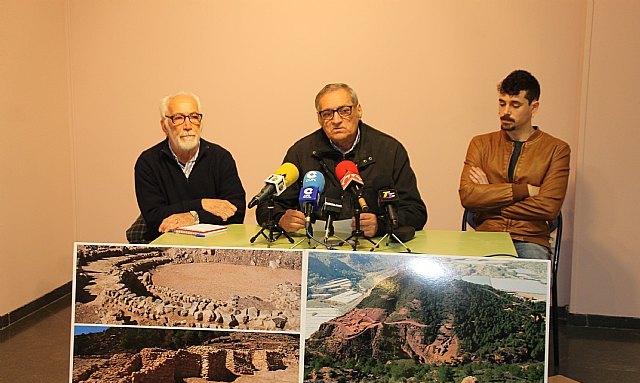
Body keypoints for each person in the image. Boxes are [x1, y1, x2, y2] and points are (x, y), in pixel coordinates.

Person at [256, 83, 427, 237]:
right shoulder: (301, 152)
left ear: (358, 110)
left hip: (373, 248)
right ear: (319, 119)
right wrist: (281, 219)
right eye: (327, 114)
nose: (336, 120)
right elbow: (266, 208)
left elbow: (415, 212)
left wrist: (381, 224)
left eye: (344, 111)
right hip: (316, 246)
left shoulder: (389, 150)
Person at [459, 70, 570, 259]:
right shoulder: (481, 143)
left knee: (528, 278)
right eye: (502, 103)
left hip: (530, 239)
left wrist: (489, 197)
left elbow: (548, 207)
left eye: (515, 105)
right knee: (461, 279)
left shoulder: (556, 149)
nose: (505, 112)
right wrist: (524, 191)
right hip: (486, 236)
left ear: (533, 107)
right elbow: (468, 196)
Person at [133, 92, 246, 242]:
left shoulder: (221, 158)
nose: (188, 126)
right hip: (167, 248)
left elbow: (236, 212)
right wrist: (202, 204)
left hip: (214, 250)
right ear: (164, 126)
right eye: (178, 118)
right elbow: (154, 218)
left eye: (193, 117)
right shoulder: (148, 162)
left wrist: (194, 217)